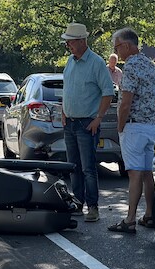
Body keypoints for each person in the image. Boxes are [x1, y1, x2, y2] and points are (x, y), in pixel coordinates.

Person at [60, 22, 115, 223]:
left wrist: (98, 118)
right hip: (70, 123)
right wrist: (63, 111)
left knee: (88, 168)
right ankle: (77, 203)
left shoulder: (97, 63)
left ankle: (93, 207)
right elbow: (67, 89)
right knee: (73, 167)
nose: (68, 45)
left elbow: (108, 93)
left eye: (71, 42)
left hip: (87, 123)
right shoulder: (70, 62)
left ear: (82, 41)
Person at [108, 27, 155, 233]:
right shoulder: (152, 67)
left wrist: (120, 126)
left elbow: (125, 102)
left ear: (127, 45)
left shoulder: (131, 68)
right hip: (150, 126)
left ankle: (130, 218)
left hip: (134, 126)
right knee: (147, 172)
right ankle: (149, 214)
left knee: (135, 174)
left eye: (117, 47)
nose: (116, 51)